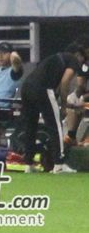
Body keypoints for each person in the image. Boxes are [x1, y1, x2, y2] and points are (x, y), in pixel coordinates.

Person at [21, 42, 87, 174]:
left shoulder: (55, 59)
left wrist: (67, 104)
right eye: (82, 59)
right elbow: (64, 82)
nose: (81, 63)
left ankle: (28, 163)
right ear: (77, 55)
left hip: (26, 87)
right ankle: (59, 164)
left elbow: (55, 89)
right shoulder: (72, 59)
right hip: (42, 89)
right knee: (55, 126)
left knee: (30, 125)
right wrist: (63, 106)